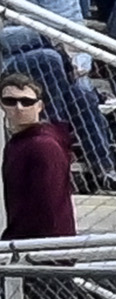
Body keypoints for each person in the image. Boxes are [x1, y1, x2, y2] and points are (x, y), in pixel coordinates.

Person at [0, 69, 72, 241]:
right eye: (10, 101)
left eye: (27, 102)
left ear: (39, 106)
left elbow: (49, 206)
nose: (19, 108)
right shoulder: (19, 142)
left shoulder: (43, 145)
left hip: (42, 251)